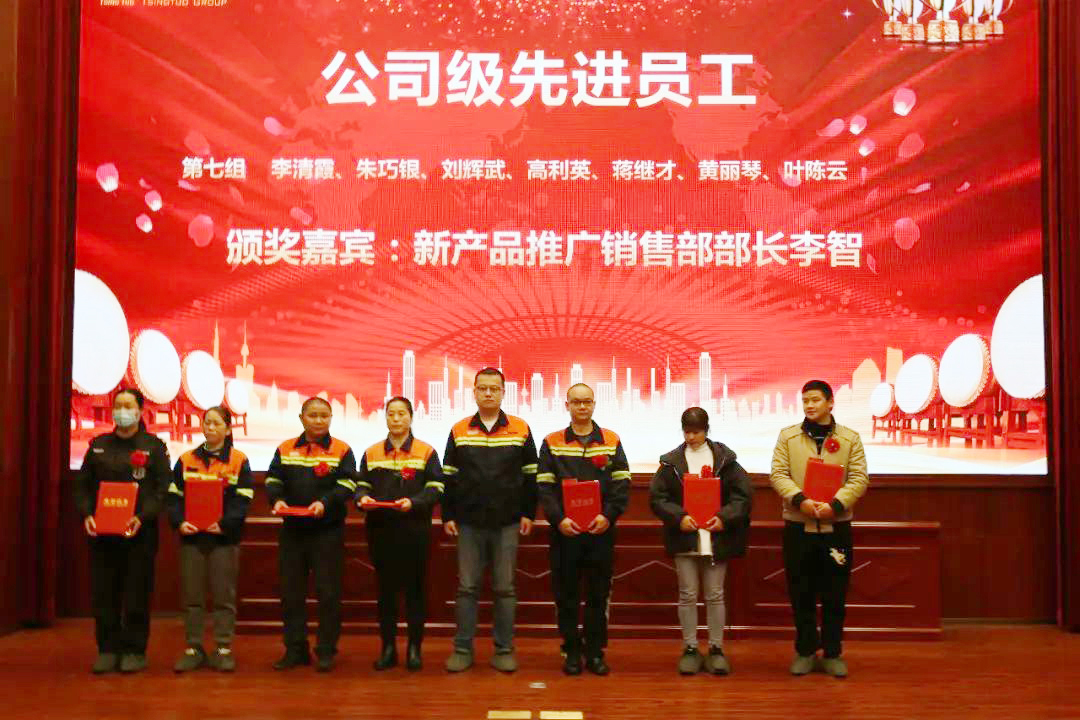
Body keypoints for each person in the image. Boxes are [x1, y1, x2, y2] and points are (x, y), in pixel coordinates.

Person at [769, 380, 869, 679]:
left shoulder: (850, 439)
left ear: (830, 402)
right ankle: (805, 651)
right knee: (801, 593)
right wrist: (800, 500)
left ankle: (833, 653)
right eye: (805, 401)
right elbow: (778, 474)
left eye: (815, 400)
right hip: (798, 526)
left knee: (834, 594)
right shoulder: (788, 437)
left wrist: (835, 506)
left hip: (836, 528)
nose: (809, 405)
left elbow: (859, 478)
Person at [442, 367, 539, 673]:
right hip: (468, 522)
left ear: (503, 392)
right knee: (467, 588)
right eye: (482, 388)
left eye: (494, 388)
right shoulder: (459, 430)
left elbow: (531, 477)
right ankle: (462, 649)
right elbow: (449, 477)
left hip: (507, 522)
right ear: (474, 392)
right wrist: (447, 515)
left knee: (504, 588)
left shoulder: (520, 429)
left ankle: (504, 649)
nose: (488, 393)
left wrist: (528, 513)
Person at [73, 387, 170, 674]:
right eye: (118, 406)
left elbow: (162, 489)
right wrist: (87, 514)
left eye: (128, 406)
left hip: (139, 533)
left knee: (137, 593)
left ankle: (134, 651)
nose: (122, 411)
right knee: (104, 593)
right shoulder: (99, 445)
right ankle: (107, 649)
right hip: (102, 534)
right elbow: (82, 486)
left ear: (140, 412)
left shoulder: (154, 447)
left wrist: (143, 516)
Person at [649, 406, 752, 676]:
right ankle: (691, 648)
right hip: (685, 537)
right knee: (687, 594)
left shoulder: (726, 460)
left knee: (715, 594)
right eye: (687, 432)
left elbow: (742, 496)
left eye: (696, 432)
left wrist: (724, 518)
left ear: (706, 430)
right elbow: (658, 498)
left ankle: (716, 648)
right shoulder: (671, 462)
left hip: (716, 537)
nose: (691, 437)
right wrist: (679, 518)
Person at [536, 383, 630, 676]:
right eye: (576, 402)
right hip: (565, 533)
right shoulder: (552, 442)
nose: (582, 406)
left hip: (600, 532)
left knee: (598, 595)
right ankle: (571, 651)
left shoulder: (611, 440)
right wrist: (559, 520)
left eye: (587, 401)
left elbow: (622, 484)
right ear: (567, 405)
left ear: (594, 404)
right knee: (566, 595)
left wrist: (608, 516)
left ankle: (595, 652)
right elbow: (545, 487)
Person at [265, 396, 358, 672]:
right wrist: (276, 500)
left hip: (327, 532)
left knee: (328, 593)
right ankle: (296, 649)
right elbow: (273, 479)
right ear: (301, 418)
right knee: (291, 593)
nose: (319, 420)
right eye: (313, 415)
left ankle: (326, 650)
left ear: (331, 419)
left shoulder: (342, 449)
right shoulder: (285, 448)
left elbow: (348, 485)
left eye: (324, 416)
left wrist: (325, 503)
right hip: (293, 531)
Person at [354, 396, 444, 672]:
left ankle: (414, 649)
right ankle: (388, 648)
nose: (396, 419)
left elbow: (437, 488)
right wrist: (362, 498)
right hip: (381, 531)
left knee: (416, 591)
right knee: (386, 593)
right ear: (385, 418)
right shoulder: (371, 453)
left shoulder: (426, 452)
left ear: (411, 417)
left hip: (414, 531)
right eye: (391, 414)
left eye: (401, 414)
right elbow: (360, 485)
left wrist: (414, 503)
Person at [166, 406, 254, 673]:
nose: (210, 427)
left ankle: (223, 648)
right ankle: (193, 648)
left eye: (216, 423)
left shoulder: (238, 460)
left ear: (228, 429)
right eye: (207, 423)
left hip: (223, 539)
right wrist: (179, 522)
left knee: (224, 597)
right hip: (192, 538)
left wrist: (224, 525)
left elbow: (243, 499)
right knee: (192, 598)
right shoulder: (186, 459)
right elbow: (173, 497)